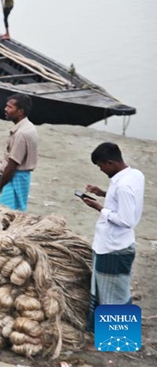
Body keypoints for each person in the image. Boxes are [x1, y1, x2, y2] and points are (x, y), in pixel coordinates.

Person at [82, 142, 144, 332]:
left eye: (101, 166)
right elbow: (126, 201)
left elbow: (126, 220)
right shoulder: (135, 175)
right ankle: (109, 335)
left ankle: (116, 340)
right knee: (112, 291)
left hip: (113, 248)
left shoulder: (123, 185)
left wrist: (100, 208)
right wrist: (103, 194)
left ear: (110, 162)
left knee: (112, 296)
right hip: (113, 245)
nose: (101, 170)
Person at [0, 94, 38, 211]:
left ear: (20, 111)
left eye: (10, 107)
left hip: (15, 178)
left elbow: (12, 166)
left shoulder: (21, 134)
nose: (5, 109)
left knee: (5, 213)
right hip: (19, 176)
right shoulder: (28, 127)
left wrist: (2, 184)